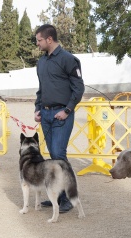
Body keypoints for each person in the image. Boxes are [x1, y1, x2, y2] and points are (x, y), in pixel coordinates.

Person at [33, 24, 85, 213]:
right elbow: (41, 89)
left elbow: (79, 88)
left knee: (58, 154)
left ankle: (70, 198)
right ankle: (58, 197)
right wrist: (37, 109)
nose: (37, 43)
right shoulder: (41, 62)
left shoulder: (69, 59)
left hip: (61, 114)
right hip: (45, 115)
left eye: (39, 40)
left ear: (49, 39)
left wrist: (68, 110)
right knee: (53, 157)